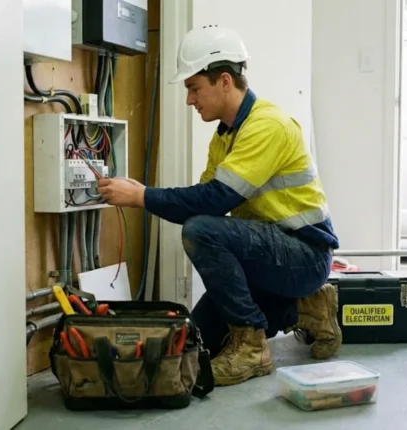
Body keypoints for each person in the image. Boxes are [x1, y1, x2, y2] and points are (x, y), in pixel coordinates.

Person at [97, 25, 342, 387]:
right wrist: (146, 193)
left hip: (305, 255)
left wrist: (143, 197)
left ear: (224, 81)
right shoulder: (226, 135)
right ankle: (306, 307)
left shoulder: (267, 126)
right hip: (270, 254)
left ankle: (252, 348)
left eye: (194, 88)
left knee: (200, 229)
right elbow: (206, 198)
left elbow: (215, 202)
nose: (189, 100)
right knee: (201, 341)